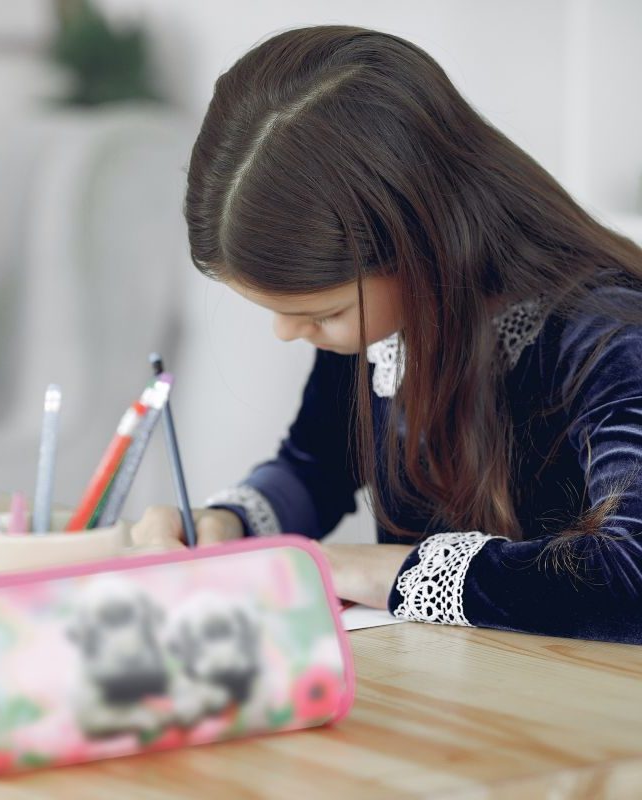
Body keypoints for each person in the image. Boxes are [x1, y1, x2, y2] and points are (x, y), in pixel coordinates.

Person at [132, 26, 642, 644]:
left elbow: (628, 578)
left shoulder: (609, 337)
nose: (287, 333)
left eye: (321, 314)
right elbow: (314, 466)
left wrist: (389, 570)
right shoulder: (383, 325)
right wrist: (228, 523)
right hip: (438, 695)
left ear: (422, 246)